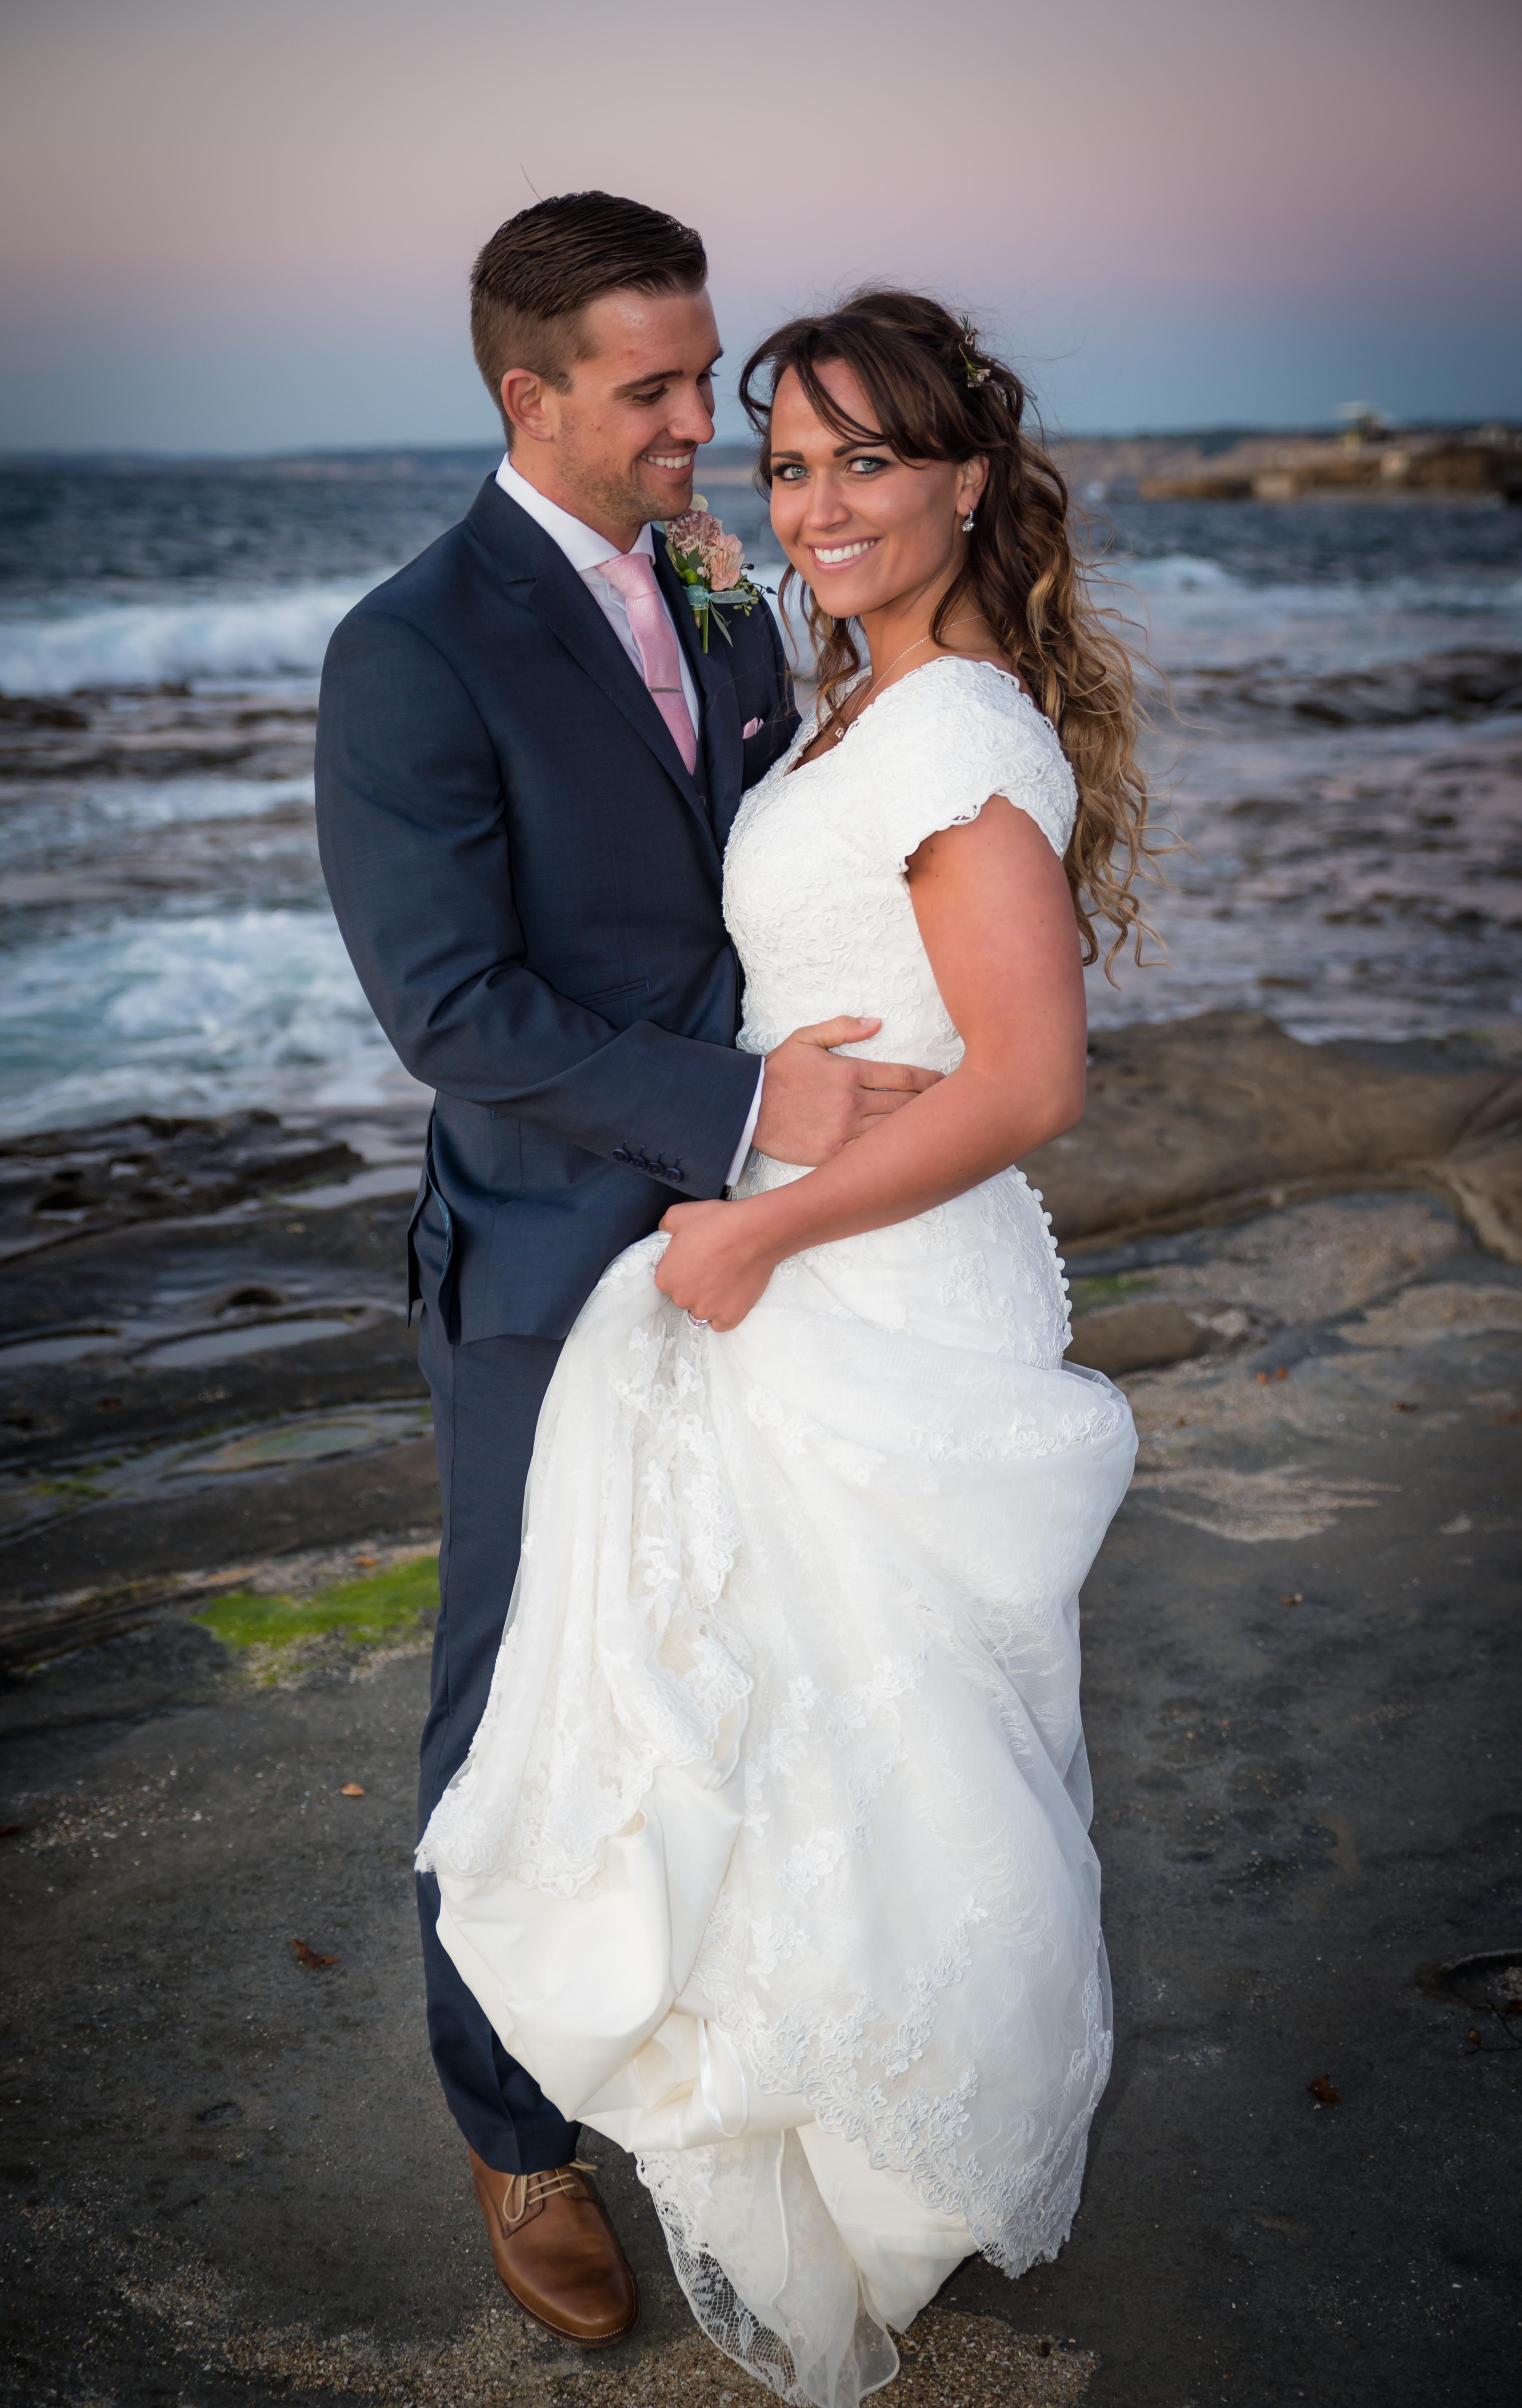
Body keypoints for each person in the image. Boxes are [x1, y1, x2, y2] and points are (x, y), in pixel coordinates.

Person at [415, 290, 1150, 2404]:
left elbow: (1026, 1080)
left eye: (867, 462)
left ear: (968, 486)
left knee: (904, 1736)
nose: (818, 504)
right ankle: (806, 2106)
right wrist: (753, 1191)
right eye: (790, 463)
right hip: (810, 1252)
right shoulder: (844, 702)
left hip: (876, 1271)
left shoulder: (953, 736)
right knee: (806, 1725)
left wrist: (758, 1227)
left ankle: (898, 2145)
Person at [315, 198, 941, 2351]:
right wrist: (751, 1112)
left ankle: (710, 2068)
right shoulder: (412, 646)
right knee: (510, 1708)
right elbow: (450, 1009)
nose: (712, 426)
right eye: (659, 392)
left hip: (768, 1254)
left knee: (743, 1669)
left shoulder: (720, 592)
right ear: (531, 397)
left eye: (707, 382)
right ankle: (512, 2135)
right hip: (546, 1262)